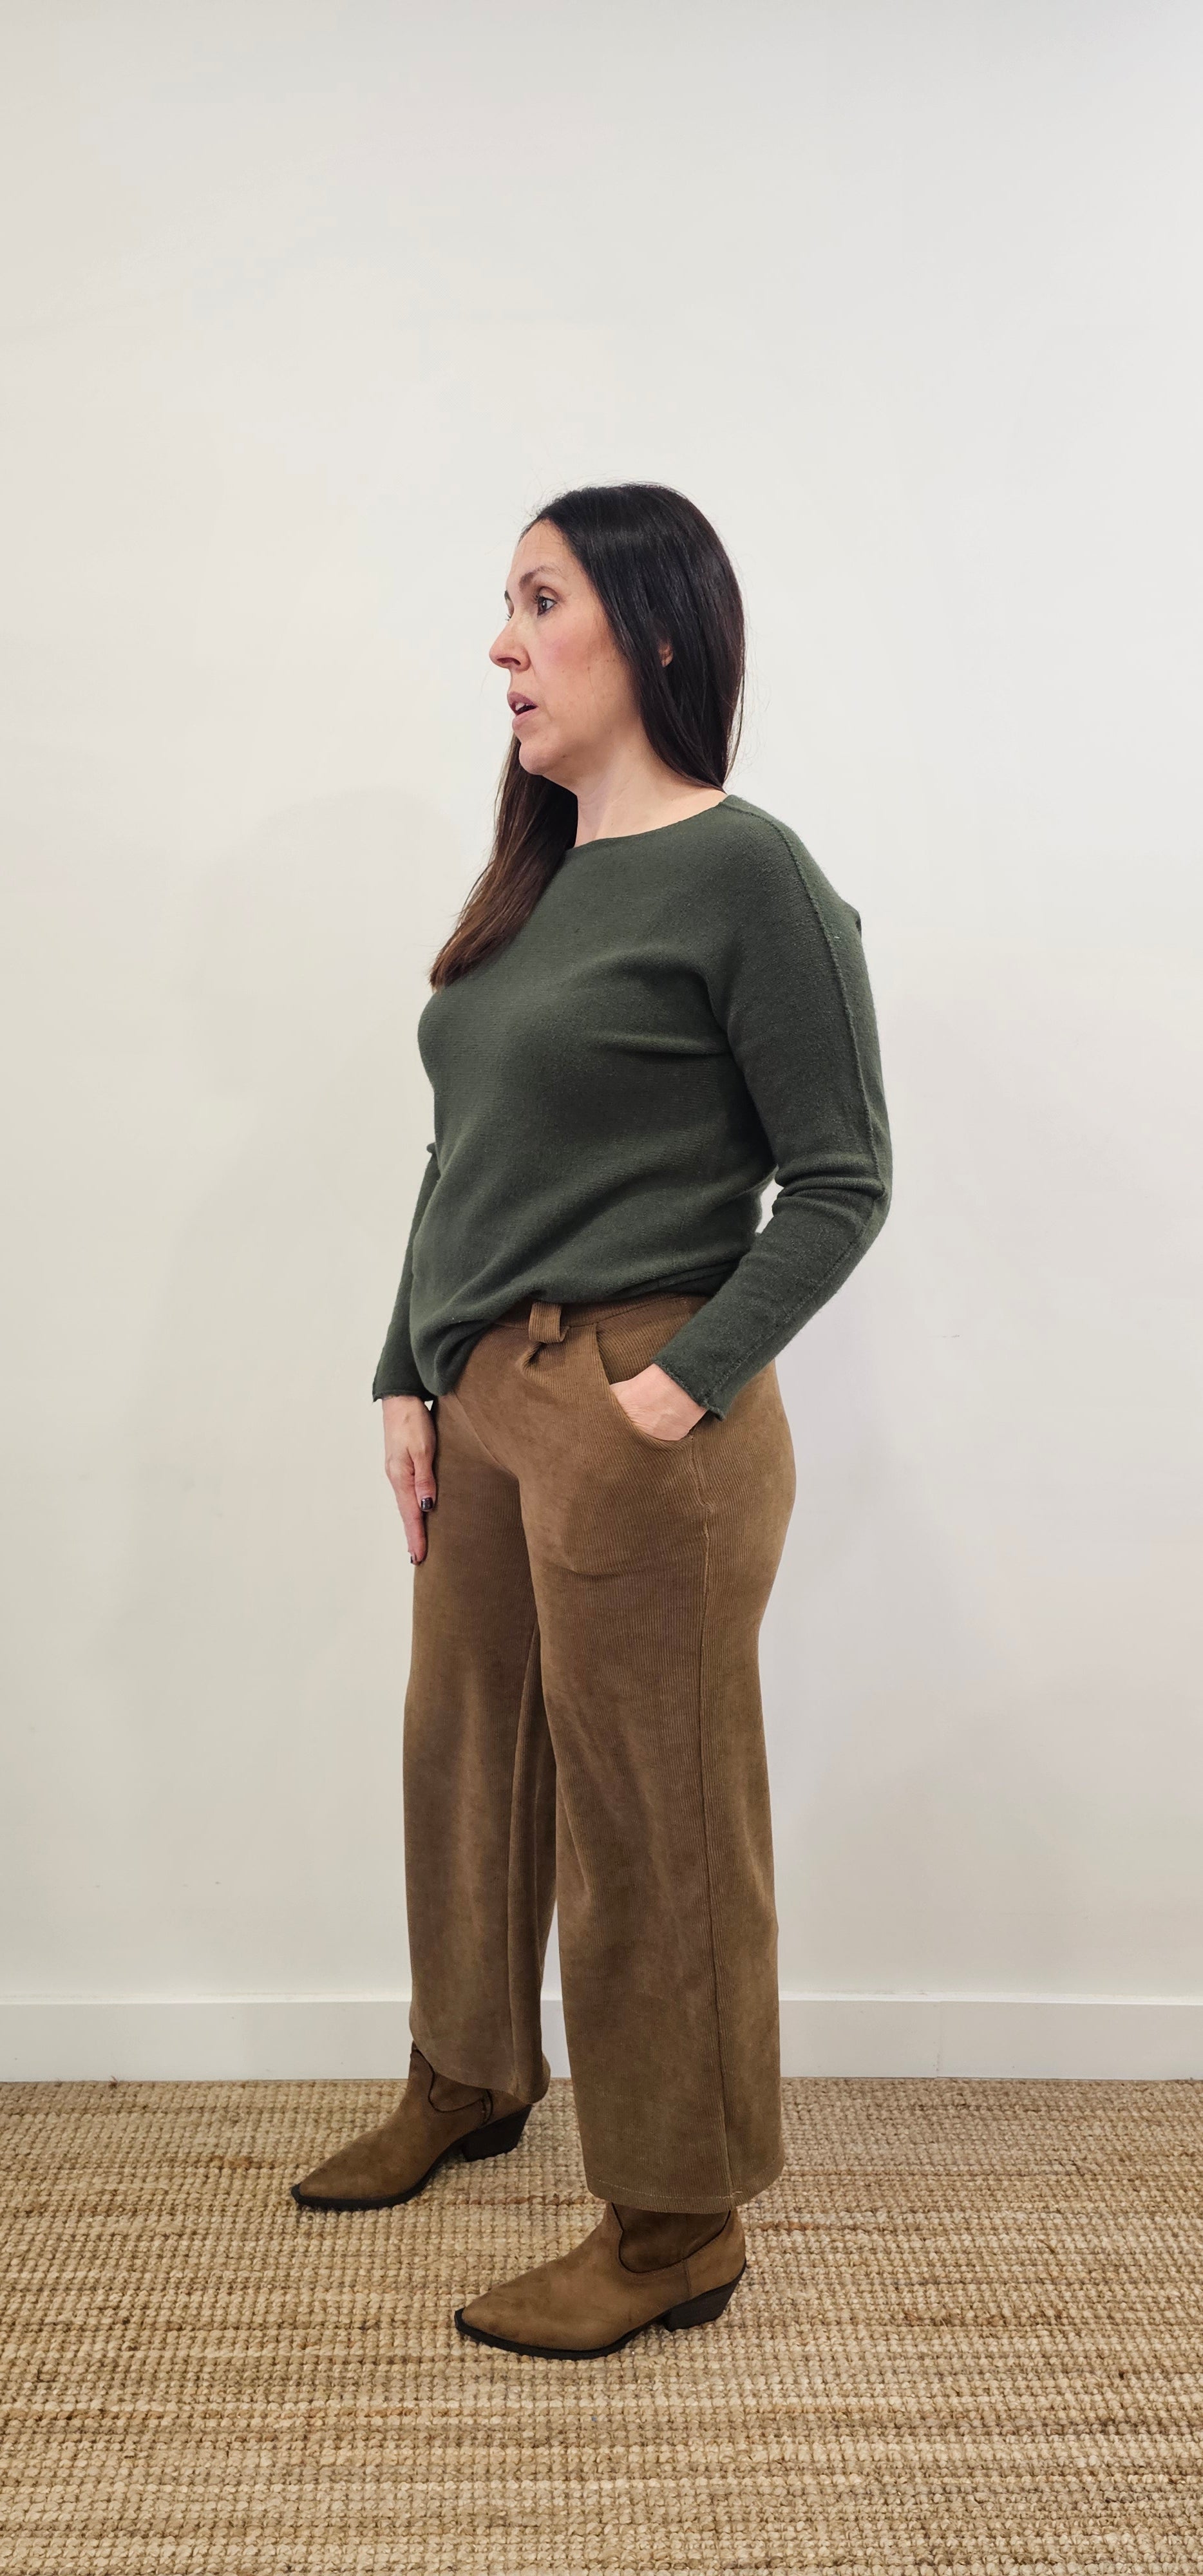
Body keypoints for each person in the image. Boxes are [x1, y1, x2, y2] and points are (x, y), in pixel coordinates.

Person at [290, 481, 892, 2359]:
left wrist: (679, 1381)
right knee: (464, 1748)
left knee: (654, 1818)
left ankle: (675, 2223)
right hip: (482, 1393)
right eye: (506, 603)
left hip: (643, 1403)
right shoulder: (535, 879)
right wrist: (406, 1368)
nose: (502, 643)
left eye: (540, 601)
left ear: (653, 628)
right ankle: (469, 2073)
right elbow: (463, 1158)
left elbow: (842, 1179)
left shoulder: (751, 875)